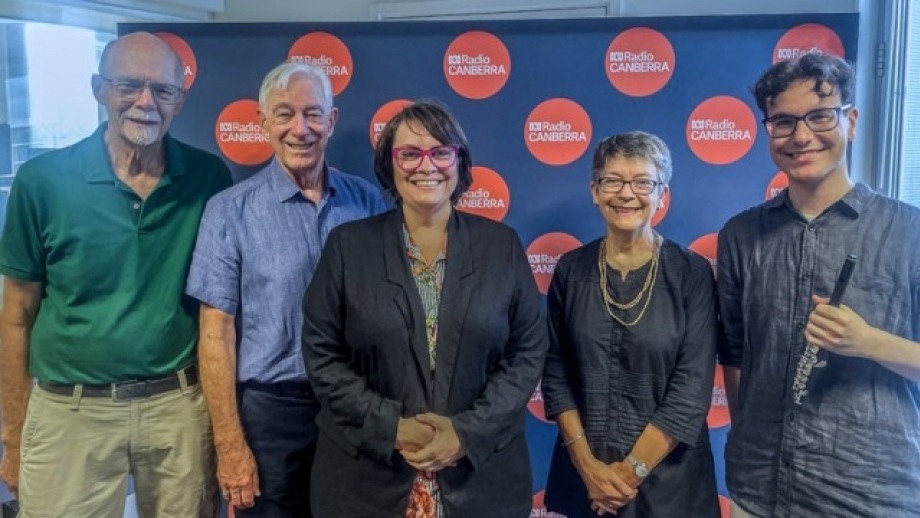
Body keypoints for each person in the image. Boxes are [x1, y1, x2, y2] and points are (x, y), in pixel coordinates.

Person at [0, 31, 232, 517]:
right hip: (69, 412)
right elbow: (15, 316)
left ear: (180, 99)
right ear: (98, 88)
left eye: (162, 90)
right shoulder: (40, 182)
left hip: (178, 412)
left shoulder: (209, 179)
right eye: (129, 85)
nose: (145, 102)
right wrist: (14, 436)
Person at [301, 99, 548, 517]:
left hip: (480, 479)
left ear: (459, 160)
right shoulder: (348, 247)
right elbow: (322, 355)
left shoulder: (500, 246)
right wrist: (391, 427)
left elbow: (527, 352)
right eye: (410, 154)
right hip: (366, 479)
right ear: (389, 165)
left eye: (440, 152)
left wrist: (465, 433)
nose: (426, 165)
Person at [718, 52, 920, 517]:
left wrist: (868, 341)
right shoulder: (740, 235)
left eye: (819, 116)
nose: (802, 135)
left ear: (850, 121)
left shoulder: (909, 231)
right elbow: (734, 355)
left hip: (870, 494)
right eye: (784, 122)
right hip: (758, 487)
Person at [186, 61, 387, 517]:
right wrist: (230, 445)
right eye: (283, 114)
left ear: (331, 122)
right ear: (263, 124)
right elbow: (215, 334)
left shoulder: (368, 202)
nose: (300, 129)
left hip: (357, 409)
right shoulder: (228, 212)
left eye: (313, 114)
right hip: (270, 418)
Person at [541, 131, 720, 517]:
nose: (626, 193)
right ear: (594, 190)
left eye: (642, 182)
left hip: (670, 488)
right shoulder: (571, 270)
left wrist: (627, 474)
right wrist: (589, 470)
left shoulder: (692, 274)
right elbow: (555, 376)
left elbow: (691, 391)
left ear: (662, 196)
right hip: (585, 483)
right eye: (612, 180)